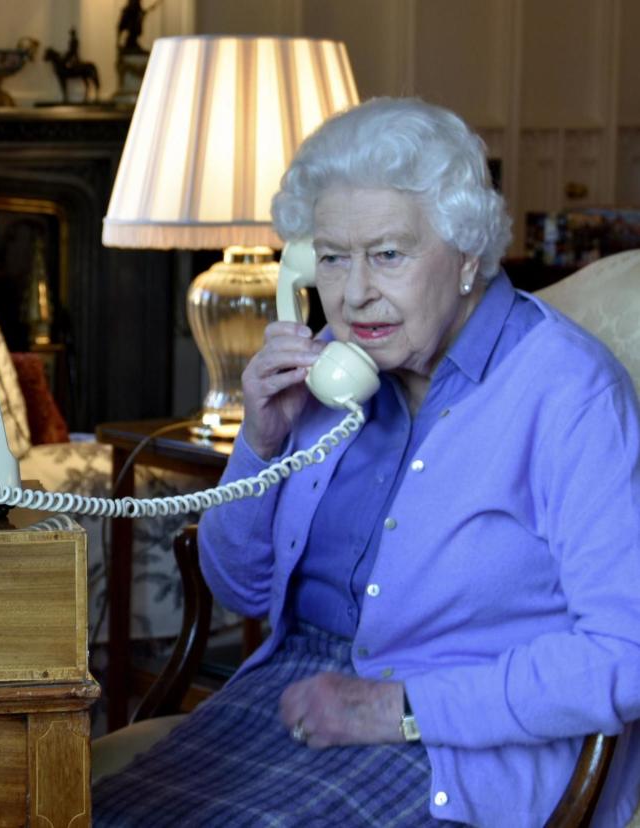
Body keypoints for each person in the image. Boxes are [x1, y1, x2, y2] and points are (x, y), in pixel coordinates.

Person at [92, 98, 640, 826]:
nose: (353, 295)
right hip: (290, 697)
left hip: (454, 742)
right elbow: (240, 587)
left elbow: (624, 654)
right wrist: (259, 440)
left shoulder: (569, 393)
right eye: (332, 257)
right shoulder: (334, 374)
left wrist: (395, 709)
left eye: (388, 254)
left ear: (469, 252)